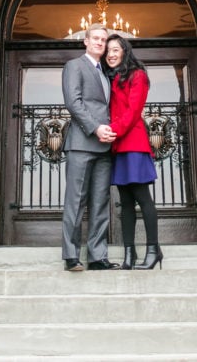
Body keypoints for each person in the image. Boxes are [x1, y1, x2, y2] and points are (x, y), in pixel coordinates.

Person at [61, 24, 119, 271]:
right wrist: (96, 128)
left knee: (100, 202)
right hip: (81, 144)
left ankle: (97, 257)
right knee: (76, 201)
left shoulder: (106, 73)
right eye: (95, 38)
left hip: (105, 148)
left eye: (103, 40)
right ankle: (71, 256)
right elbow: (73, 103)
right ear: (85, 41)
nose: (99, 42)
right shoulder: (74, 66)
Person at [104, 34, 162, 270]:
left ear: (125, 51)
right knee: (125, 202)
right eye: (108, 50)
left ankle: (153, 250)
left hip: (133, 143)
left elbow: (132, 111)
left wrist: (112, 131)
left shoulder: (137, 76)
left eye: (115, 49)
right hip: (118, 146)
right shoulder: (110, 77)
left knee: (142, 198)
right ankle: (129, 254)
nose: (110, 54)